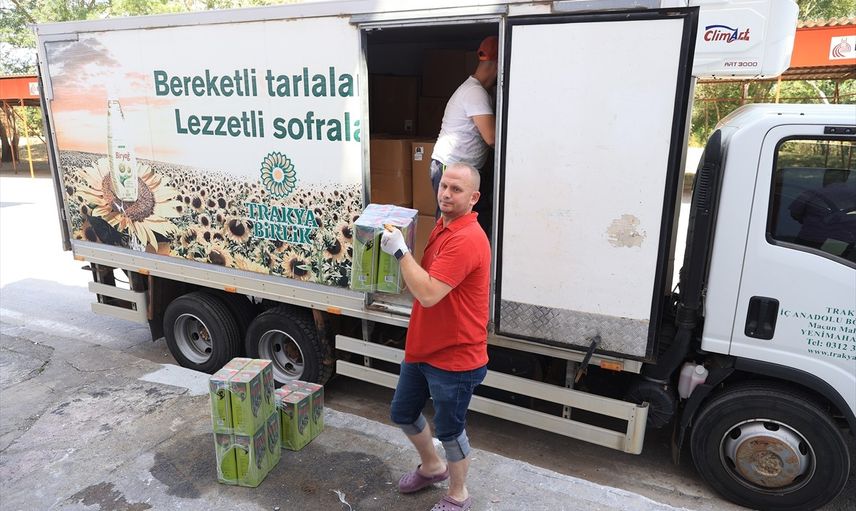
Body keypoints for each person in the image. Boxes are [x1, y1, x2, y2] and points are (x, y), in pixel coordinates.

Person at [379, 163, 491, 511]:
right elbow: (423, 281)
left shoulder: (467, 239)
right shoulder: (444, 227)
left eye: (456, 190)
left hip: (455, 357)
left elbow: (428, 294)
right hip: (423, 347)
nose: (446, 194)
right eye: (444, 186)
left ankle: (459, 495)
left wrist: (401, 252)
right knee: (403, 412)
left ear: (473, 197)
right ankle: (432, 467)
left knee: (450, 430)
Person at [430, 35, 498, 237]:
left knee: (463, 224)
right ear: (498, 65)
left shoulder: (476, 90)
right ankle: (444, 257)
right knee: (452, 225)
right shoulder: (475, 93)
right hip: (451, 168)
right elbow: (492, 138)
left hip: (462, 169)